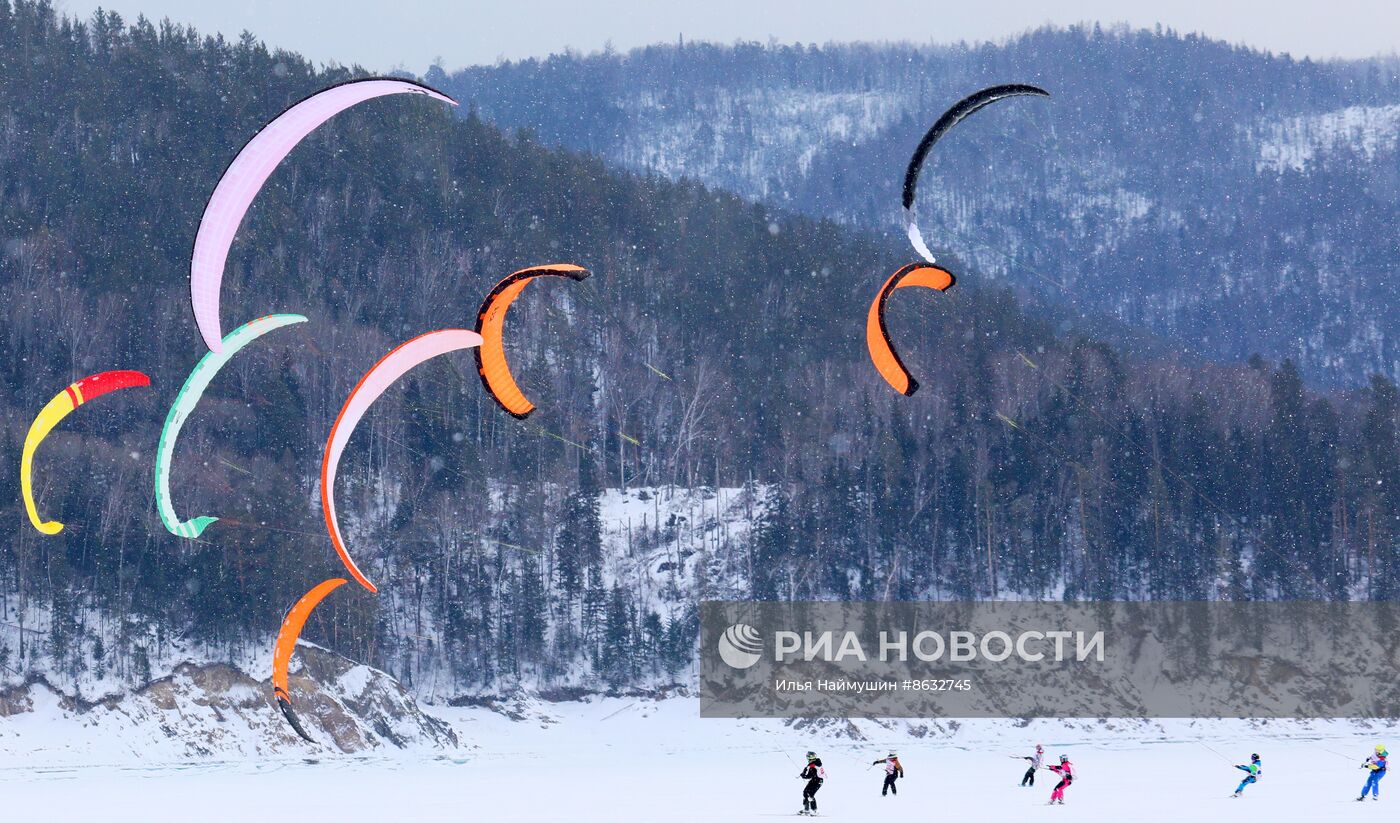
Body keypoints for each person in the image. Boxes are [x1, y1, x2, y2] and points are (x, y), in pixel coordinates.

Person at [799, 751, 826, 815]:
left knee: (810, 794)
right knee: (805, 792)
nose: (807, 759)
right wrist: (804, 772)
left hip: (818, 781)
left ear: (811, 758)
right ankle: (806, 809)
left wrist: (803, 775)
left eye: (808, 757)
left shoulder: (814, 765)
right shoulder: (814, 763)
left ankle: (814, 811)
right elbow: (810, 775)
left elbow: (809, 776)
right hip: (814, 780)